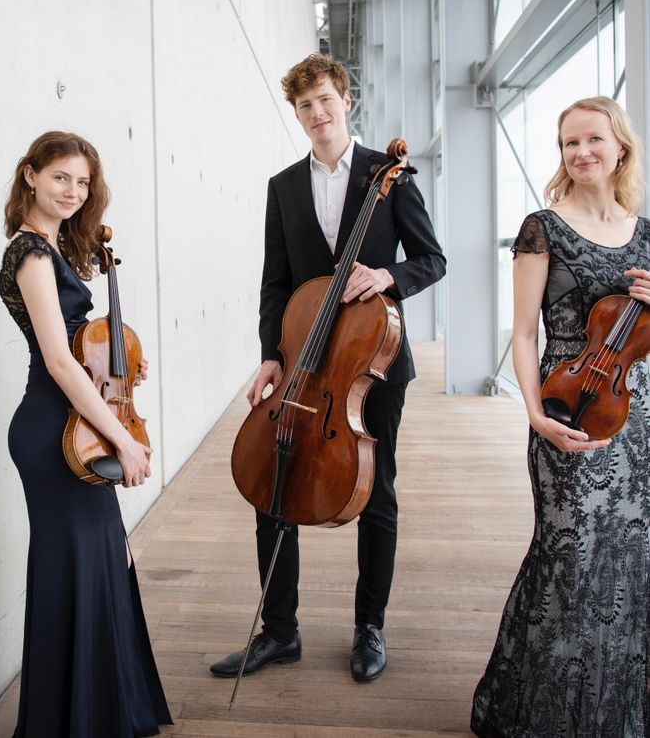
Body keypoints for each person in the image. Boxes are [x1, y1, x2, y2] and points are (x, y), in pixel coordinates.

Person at [210, 53, 445, 683]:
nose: (317, 113)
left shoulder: (388, 175)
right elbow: (276, 283)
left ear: (347, 101)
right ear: (297, 114)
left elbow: (432, 259)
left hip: (374, 362)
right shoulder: (284, 186)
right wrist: (271, 355)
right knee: (274, 482)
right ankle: (279, 632)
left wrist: (388, 276)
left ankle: (370, 628)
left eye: (325, 100)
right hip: (302, 364)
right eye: (304, 105)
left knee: (377, 492)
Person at [471, 96, 649, 737]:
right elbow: (524, 334)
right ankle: (538, 716)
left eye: (593, 139)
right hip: (564, 407)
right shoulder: (543, 228)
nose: (581, 153)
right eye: (570, 143)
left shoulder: (646, 233)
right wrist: (534, 415)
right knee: (567, 556)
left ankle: (610, 717)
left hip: (633, 416)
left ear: (620, 146)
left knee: (627, 560)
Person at [0, 131, 172, 737]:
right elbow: (57, 361)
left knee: (100, 562)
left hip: (76, 421)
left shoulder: (53, 247)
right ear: (30, 175)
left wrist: (118, 366)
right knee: (73, 570)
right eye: (60, 178)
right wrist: (121, 437)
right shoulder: (31, 253)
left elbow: (79, 352)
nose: (73, 191)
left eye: (82, 181)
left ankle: (91, 714)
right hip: (56, 431)